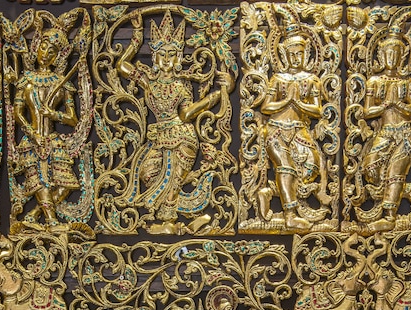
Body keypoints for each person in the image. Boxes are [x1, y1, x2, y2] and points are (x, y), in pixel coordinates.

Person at [116, 9, 234, 234]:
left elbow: (186, 114)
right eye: (162, 54)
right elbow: (122, 65)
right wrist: (137, 35)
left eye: (172, 55)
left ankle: (168, 222)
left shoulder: (180, 86)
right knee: (148, 173)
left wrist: (218, 95)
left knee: (172, 181)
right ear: (154, 57)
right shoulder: (148, 82)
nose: (167, 60)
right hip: (159, 137)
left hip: (182, 137)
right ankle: (186, 216)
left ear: (178, 58)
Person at [257, 13, 330, 233]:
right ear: (284, 55)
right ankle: (290, 216)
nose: (296, 58)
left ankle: (270, 192)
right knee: (285, 166)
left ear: (306, 55)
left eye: (300, 54)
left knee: (311, 167)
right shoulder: (278, 79)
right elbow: (266, 107)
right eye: (292, 54)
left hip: (299, 130)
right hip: (276, 131)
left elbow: (317, 110)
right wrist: (286, 101)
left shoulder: (311, 80)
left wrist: (297, 103)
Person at [12, 26, 82, 226]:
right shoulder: (26, 81)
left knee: (67, 183)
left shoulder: (62, 83)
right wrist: (31, 133)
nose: (45, 54)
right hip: (33, 138)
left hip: (52, 139)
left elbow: (73, 119)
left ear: (57, 57)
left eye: (52, 52)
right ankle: (51, 220)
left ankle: (35, 213)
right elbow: (18, 113)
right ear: (37, 48)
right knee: (39, 181)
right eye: (43, 48)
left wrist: (53, 114)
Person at [360, 29, 411, 231]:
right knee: (370, 168)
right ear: (381, 55)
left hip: (406, 132)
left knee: (396, 172)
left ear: (402, 57)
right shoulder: (375, 82)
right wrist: (386, 105)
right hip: (386, 133)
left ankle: (389, 216)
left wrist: (401, 106)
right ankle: (409, 193)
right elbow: (367, 111)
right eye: (388, 53)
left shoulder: (406, 82)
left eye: (396, 53)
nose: (391, 57)